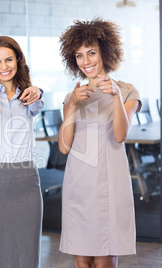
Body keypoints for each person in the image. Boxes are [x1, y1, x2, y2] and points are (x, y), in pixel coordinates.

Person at [58, 18, 140, 268]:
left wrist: (115, 95)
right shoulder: (72, 96)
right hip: (78, 182)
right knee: (82, 261)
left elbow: (120, 135)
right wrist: (72, 105)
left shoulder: (127, 91)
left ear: (105, 52)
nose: (86, 61)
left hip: (109, 183)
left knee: (104, 260)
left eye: (91, 53)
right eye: (79, 56)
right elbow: (64, 146)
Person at [0, 36, 44, 268]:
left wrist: (37, 91)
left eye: (8, 59)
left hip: (25, 180)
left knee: (26, 249)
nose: (4, 67)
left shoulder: (30, 94)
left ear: (18, 60)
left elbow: (37, 101)